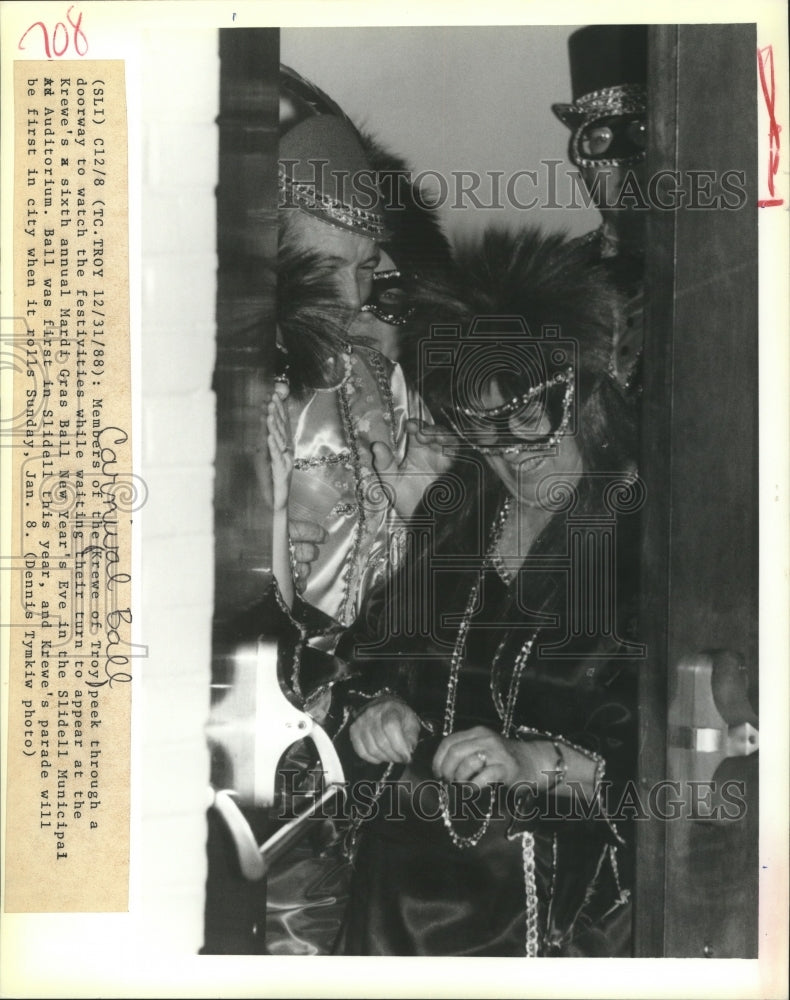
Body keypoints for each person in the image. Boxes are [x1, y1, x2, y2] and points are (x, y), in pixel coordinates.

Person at [324, 228, 641, 957]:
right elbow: (370, 655)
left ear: (585, 397)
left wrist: (537, 764)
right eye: (483, 434)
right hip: (405, 905)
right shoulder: (463, 504)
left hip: (566, 920)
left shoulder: (653, 541)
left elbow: (682, 766)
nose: (512, 459)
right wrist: (376, 708)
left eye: (528, 424)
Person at [552, 24, 648, 391]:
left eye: (641, 136)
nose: (625, 171)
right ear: (581, 163)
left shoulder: (718, 272)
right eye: (600, 143)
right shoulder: (556, 274)